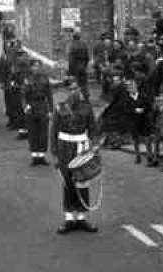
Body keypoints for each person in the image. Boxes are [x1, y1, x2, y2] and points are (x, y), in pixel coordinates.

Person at [50, 80, 98, 234]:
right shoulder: (60, 107)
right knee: (67, 182)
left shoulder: (87, 107)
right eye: (70, 89)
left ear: (80, 90)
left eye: (76, 89)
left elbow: (93, 129)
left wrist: (94, 147)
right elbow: (53, 132)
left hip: (82, 148)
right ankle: (69, 218)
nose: (73, 92)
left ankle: (82, 217)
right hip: (65, 148)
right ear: (66, 91)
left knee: (83, 182)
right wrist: (55, 154)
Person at [22, 60, 53, 166]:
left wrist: (50, 110)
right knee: (33, 132)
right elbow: (24, 95)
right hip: (32, 106)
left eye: (38, 66)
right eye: (34, 66)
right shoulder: (28, 80)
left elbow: (49, 96)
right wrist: (25, 106)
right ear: (31, 68)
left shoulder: (45, 79)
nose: (36, 68)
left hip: (42, 106)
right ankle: (34, 156)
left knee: (43, 132)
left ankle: (41, 156)